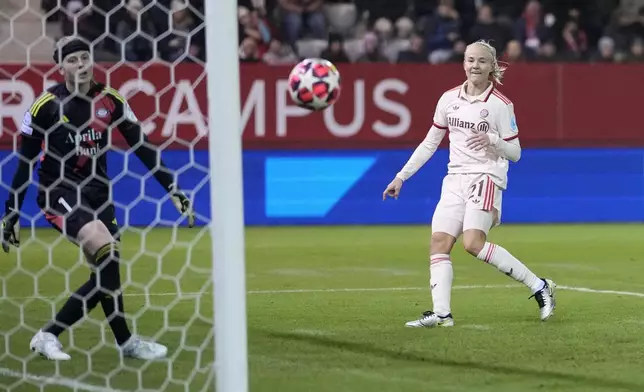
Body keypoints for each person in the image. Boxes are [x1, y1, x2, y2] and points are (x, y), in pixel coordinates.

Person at [0, 36, 196, 359]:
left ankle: (120, 342)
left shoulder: (111, 100)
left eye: (85, 58)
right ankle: (50, 336)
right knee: (105, 247)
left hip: (98, 195)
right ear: (60, 66)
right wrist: (11, 213)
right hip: (58, 192)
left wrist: (173, 189)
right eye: (73, 60)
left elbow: (142, 147)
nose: (81, 65)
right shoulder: (44, 106)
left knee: (107, 271)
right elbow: (24, 163)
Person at [382, 40, 556, 328]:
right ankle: (442, 315)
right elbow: (430, 143)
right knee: (439, 242)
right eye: (470, 60)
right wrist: (401, 176)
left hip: (486, 176)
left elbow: (516, 153)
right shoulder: (448, 99)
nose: (475, 66)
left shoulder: (501, 106)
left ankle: (539, 286)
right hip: (455, 179)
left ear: (492, 68)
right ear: (463, 63)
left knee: (473, 243)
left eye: (482, 61)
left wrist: (493, 140)